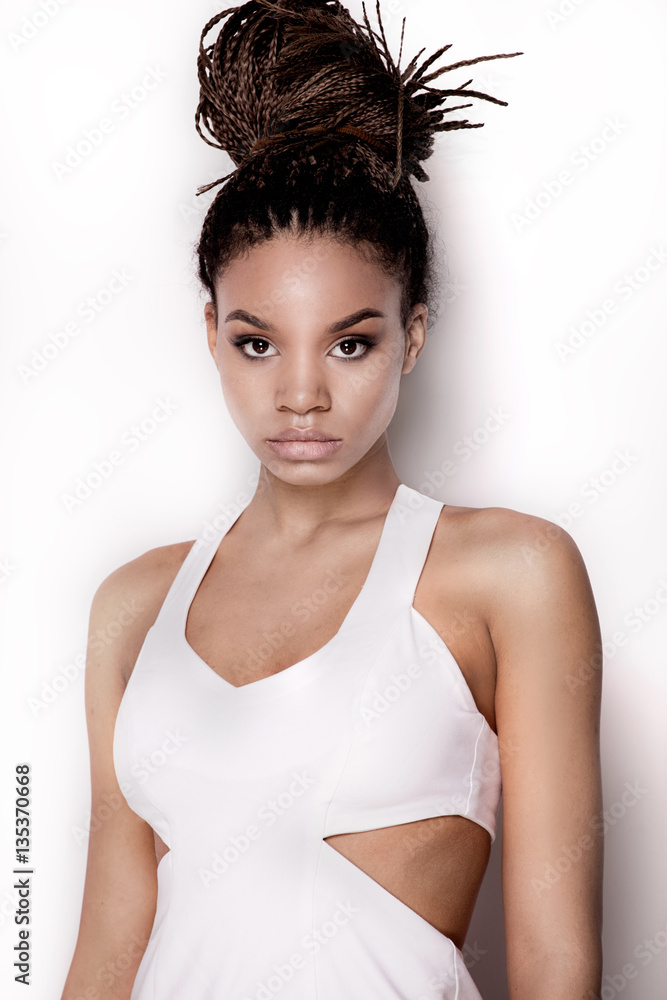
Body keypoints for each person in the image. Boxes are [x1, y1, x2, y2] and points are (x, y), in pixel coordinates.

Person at [60, 2, 603, 998]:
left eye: (350, 343)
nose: (301, 392)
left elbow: (555, 961)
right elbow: (105, 950)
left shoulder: (508, 573)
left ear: (414, 336)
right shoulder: (132, 607)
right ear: (212, 334)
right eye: (257, 343)